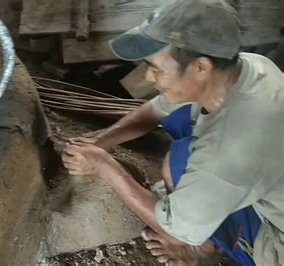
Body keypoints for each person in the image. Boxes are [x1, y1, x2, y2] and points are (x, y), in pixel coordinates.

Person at [61, 0, 284, 265]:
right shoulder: (249, 67)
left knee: (178, 164)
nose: (147, 78)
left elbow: (171, 227)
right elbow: (158, 109)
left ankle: (205, 249)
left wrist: (104, 165)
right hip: (262, 173)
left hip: (276, 238)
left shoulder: (228, 154)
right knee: (180, 117)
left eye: (156, 68)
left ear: (201, 67)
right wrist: (104, 139)